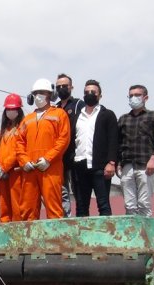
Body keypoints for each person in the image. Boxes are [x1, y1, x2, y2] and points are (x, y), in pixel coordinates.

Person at [15, 78, 70, 220]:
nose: (38, 96)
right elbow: (19, 142)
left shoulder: (59, 114)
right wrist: (24, 161)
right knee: (28, 208)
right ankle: (30, 235)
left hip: (51, 168)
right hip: (30, 169)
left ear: (50, 95)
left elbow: (63, 140)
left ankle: (56, 234)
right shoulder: (27, 119)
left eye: (42, 92)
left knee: (54, 207)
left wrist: (48, 159)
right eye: (35, 93)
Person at [118, 84, 154, 217]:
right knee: (129, 205)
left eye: (137, 95)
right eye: (131, 96)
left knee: (144, 204)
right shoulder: (123, 119)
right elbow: (118, 143)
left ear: (145, 98)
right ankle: (132, 229)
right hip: (127, 166)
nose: (133, 98)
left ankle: (146, 229)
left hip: (146, 165)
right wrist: (118, 162)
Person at [70, 80, 119, 217]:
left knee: (103, 205)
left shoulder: (107, 114)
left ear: (100, 95)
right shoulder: (77, 116)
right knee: (81, 207)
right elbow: (72, 140)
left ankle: (106, 230)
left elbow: (113, 140)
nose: (89, 94)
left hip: (100, 167)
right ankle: (83, 231)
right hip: (80, 165)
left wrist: (111, 162)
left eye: (93, 92)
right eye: (86, 92)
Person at [56, 73, 85, 217]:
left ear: (71, 87)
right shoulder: (54, 108)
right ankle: (65, 218)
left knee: (78, 189)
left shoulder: (78, 104)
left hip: (75, 154)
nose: (61, 88)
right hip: (59, 155)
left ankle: (81, 218)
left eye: (65, 86)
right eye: (58, 86)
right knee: (61, 190)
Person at [0, 93, 25, 222]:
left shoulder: (23, 127)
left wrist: (4, 167)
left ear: (19, 110)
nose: (10, 111)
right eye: (8, 109)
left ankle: (18, 230)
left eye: (13, 109)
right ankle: (5, 227)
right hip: (2, 173)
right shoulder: (3, 130)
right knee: (4, 204)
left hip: (16, 172)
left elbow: (19, 150)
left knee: (17, 205)